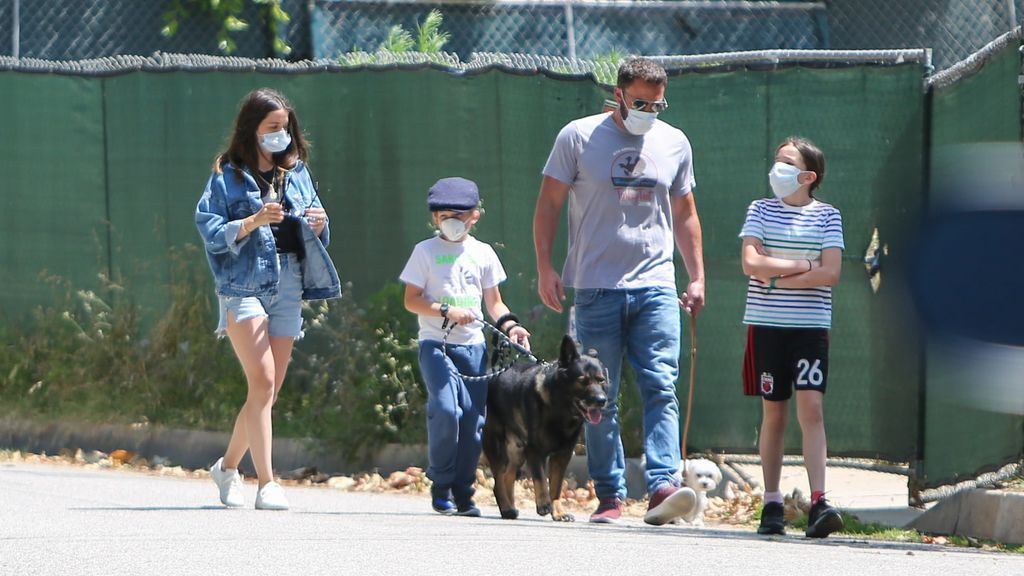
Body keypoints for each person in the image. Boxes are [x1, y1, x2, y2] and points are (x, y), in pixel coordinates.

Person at [533, 57, 705, 525]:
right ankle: (609, 496)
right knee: (596, 397)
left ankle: (664, 486)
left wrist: (696, 275)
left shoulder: (674, 142)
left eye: (657, 102)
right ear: (619, 93)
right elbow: (548, 204)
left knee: (660, 385)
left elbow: (686, 213)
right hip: (595, 287)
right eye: (640, 102)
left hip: (655, 286)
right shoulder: (578, 136)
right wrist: (546, 267)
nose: (648, 110)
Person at [195, 88, 341, 510]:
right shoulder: (227, 176)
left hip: (290, 279)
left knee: (268, 391)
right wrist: (252, 220)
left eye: (286, 127)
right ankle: (267, 482)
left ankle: (226, 467)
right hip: (243, 284)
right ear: (251, 130)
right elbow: (210, 229)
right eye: (272, 128)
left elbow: (316, 227)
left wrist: (318, 223)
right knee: (260, 381)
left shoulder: (296, 173)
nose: (282, 135)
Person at [400, 177, 531, 517]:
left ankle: (463, 493)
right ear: (434, 218)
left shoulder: (483, 253)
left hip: (473, 349)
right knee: (446, 410)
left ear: (476, 216)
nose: (452, 222)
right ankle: (441, 484)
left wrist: (511, 326)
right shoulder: (424, 252)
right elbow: (412, 300)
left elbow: (495, 303)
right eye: (445, 215)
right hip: (436, 344)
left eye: (461, 215)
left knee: (473, 422)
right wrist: (445, 310)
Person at [739, 136, 845, 538]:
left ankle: (819, 501)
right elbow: (751, 262)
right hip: (767, 328)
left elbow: (831, 272)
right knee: (775, 412)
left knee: (812, 409)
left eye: (786, 163)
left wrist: (777, 279)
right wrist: (803, 264)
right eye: (776, 161)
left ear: (808, 176)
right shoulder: (759, 209)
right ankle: (772, 503)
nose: (776, 170)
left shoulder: (828, 216)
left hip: (810, 328)